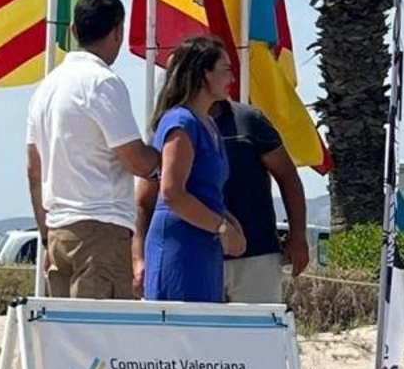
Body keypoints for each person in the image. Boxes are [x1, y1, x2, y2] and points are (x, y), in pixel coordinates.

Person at [25, 0, 160, 299]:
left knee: (68, 340)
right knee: (101, 340)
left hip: (59, 232)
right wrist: (164, 163)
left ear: (74, 30)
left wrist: (46, 236)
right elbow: (134, 158)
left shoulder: (46, 88)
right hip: (101, 231)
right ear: (118, 31)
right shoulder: (102, 82)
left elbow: (34, 170)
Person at [133, 97, 311, 303]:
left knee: (255, 333)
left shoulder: (249, 120)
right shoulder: (172, 127)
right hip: (191, 258)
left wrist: (298, 235)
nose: (231, 77)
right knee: (194, 334)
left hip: (254, 256)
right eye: (223, 68)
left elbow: (287, 176)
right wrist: (139, 258)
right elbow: (146, 200)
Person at [138, 36, 245, 303]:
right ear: (202, 74)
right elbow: (173, 192)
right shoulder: (181, 122)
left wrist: (232, 225)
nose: (232, 77)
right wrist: (220, 228)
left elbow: (206, 191)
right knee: (177, 336)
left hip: (204, 245)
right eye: (225, 69)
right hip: (180, 246)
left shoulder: (208, 123)